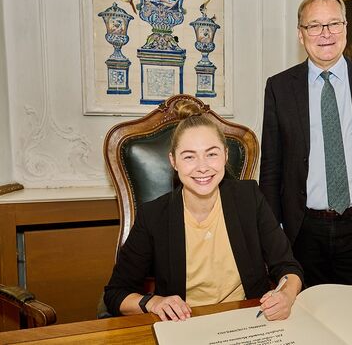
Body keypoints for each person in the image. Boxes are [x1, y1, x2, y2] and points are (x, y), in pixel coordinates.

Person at [104, 100, 303, 321]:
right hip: (187, 325)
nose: (202, 167)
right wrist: (154, 302)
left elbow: (288, 267)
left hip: (247, 319)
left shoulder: (249, 198)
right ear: (173, 161)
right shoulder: (153, 216)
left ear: (226, 155)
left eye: (212, 154)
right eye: (189, 156)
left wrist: (286, 294)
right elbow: (115, 295)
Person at [259, 0, 352, 287]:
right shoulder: (279, 88)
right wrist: (271, 234)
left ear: (345, 29)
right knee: (305, 320)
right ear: (301, 35)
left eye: (333, 24)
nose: (325, 34)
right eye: (314, 25)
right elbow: (272, 167)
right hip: (302, 231)